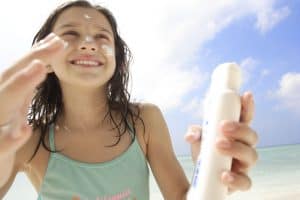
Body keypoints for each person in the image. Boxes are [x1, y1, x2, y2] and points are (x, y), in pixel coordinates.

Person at [0, 0, 258, 199]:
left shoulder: (144, 120)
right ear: (44, 58)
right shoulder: (27, 139)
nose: (89, 43)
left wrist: (210, 174)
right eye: (70, 34)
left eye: (102, 36)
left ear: (118, 61)